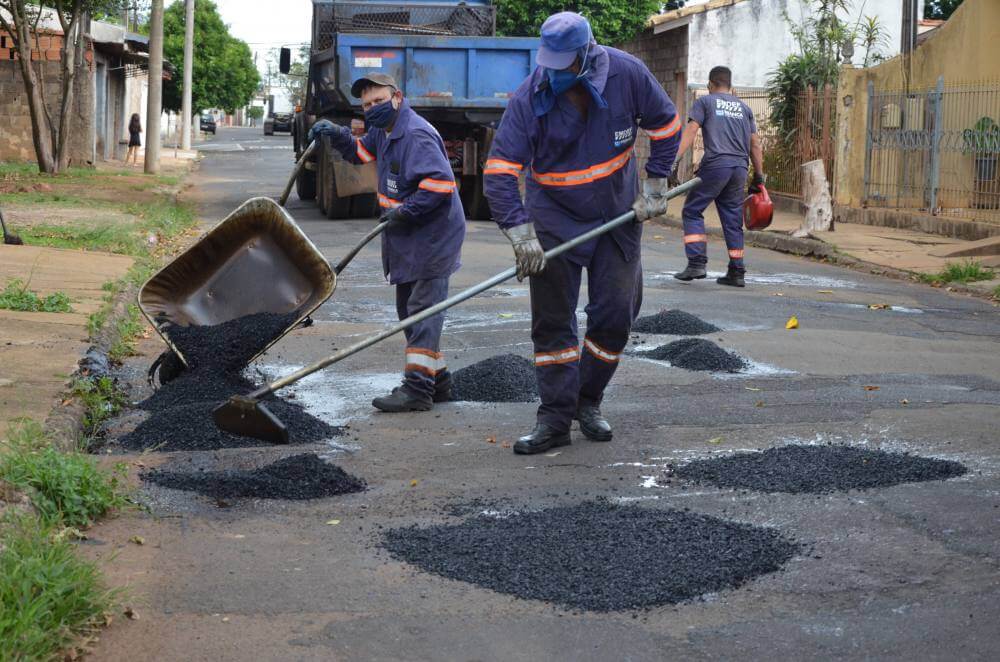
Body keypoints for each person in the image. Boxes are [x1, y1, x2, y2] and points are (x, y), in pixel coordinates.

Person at [484, 12, 680, 455]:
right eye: (547, 62)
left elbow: (667, 127)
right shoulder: (529, 96)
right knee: (553, 322)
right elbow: (499, 171)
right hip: (554, 218)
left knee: (615, 314)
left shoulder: (627, 74)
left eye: (562, 63)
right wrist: (520, 233)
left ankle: (586, 400)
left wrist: (655, 182)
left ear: (587, 54)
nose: (552, 72)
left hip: (616, 216)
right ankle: (553, 418)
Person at [308, 73, 465, 412]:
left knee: (422, 312)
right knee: (406, 310)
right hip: (408, 234)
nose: (372, 108)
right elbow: (362, 153)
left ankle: (417, 390)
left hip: (433, 235)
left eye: (378, 101)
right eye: (366, 105)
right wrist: (336, 134)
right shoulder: (384, 129)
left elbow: (439, 186)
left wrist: (405, 212)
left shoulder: (417, 134)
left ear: (397, 97)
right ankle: (438, 380)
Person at [673, 66, 765, 287]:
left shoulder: (705, 102)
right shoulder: (744, 108)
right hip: (740, 168)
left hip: (716, 165)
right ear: (731, 86)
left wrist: (673, 160)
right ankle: (737, 270)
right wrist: (759, 176)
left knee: (692, 210)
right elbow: (755, 144)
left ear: (710, 84)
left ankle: (696, 262)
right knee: (732, 218)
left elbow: (691, 130)